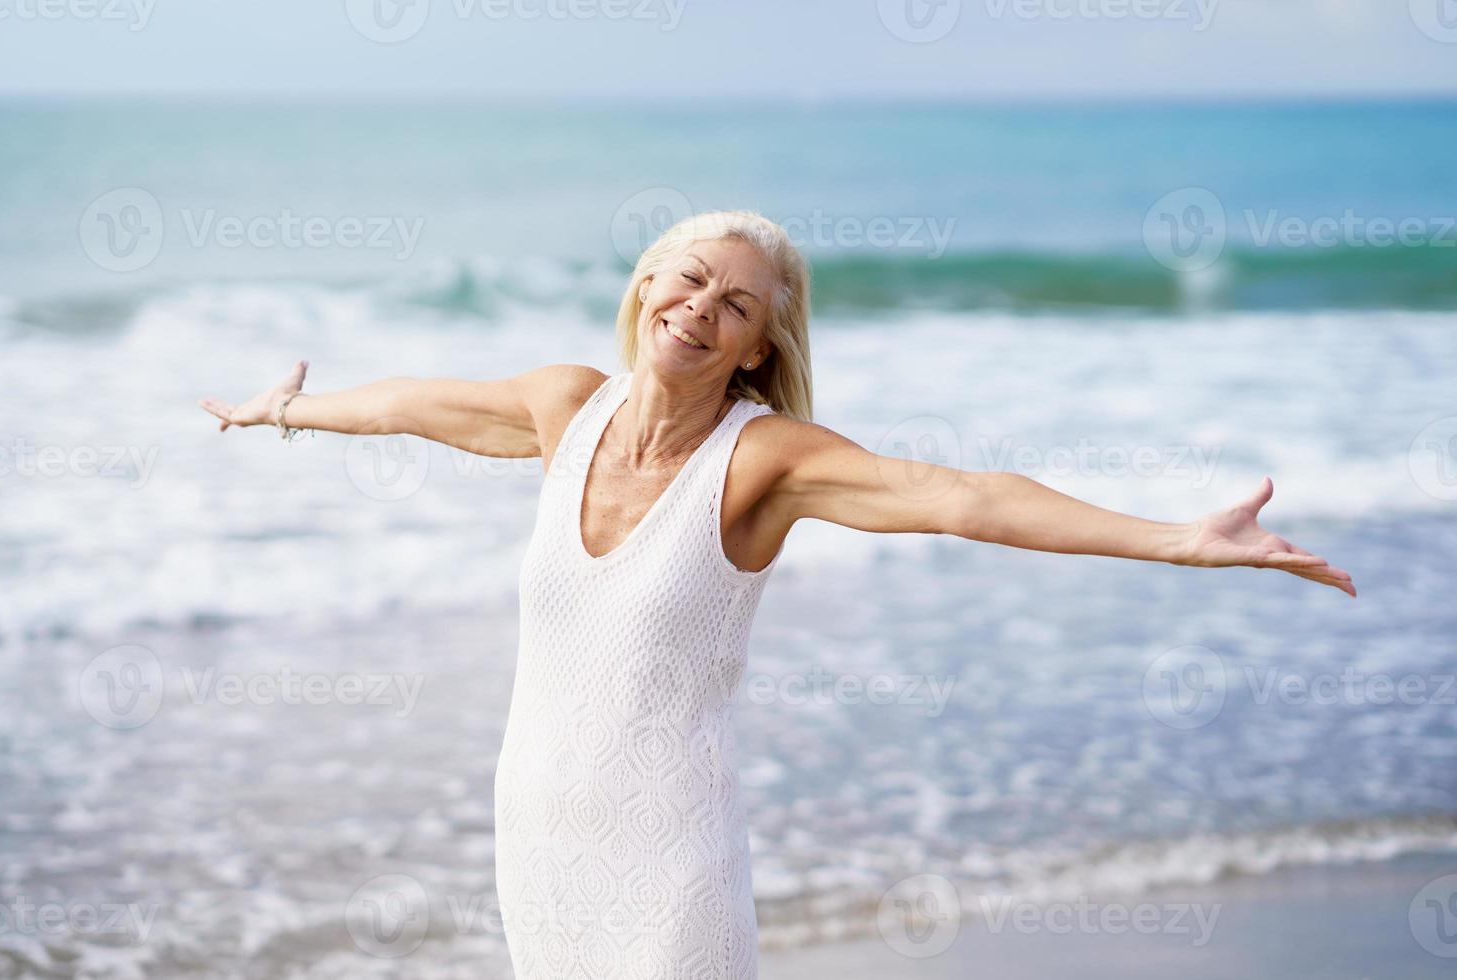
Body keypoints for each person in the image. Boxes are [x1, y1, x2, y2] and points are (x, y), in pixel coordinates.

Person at [198, 209, 1354, 979]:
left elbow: (961, 496)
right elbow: (416, 404)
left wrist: (1178, 541)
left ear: (757, 345)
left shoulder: (763, 461)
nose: (701, 307)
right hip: (536, 829)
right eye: (690, 278)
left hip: (669, 852)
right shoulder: (564, 407)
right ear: (650, 282)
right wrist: (284, 410)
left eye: (737, 304)